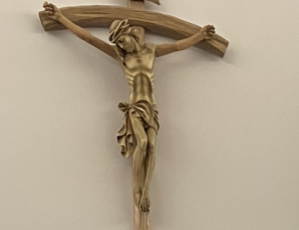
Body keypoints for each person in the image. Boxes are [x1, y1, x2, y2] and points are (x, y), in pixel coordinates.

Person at [41, 4, 215, 212]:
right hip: (134, 108)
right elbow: (89, 38)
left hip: (151, 108)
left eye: (122, 41)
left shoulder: (151, 51)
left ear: (130, 34)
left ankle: (146, 190)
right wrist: (61, 18)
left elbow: (178, 46)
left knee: (151, 146)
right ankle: (136, 191)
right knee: (142, 142)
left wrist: (200, 35)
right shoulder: (121, 56)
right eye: (118, 44)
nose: (122, 46)